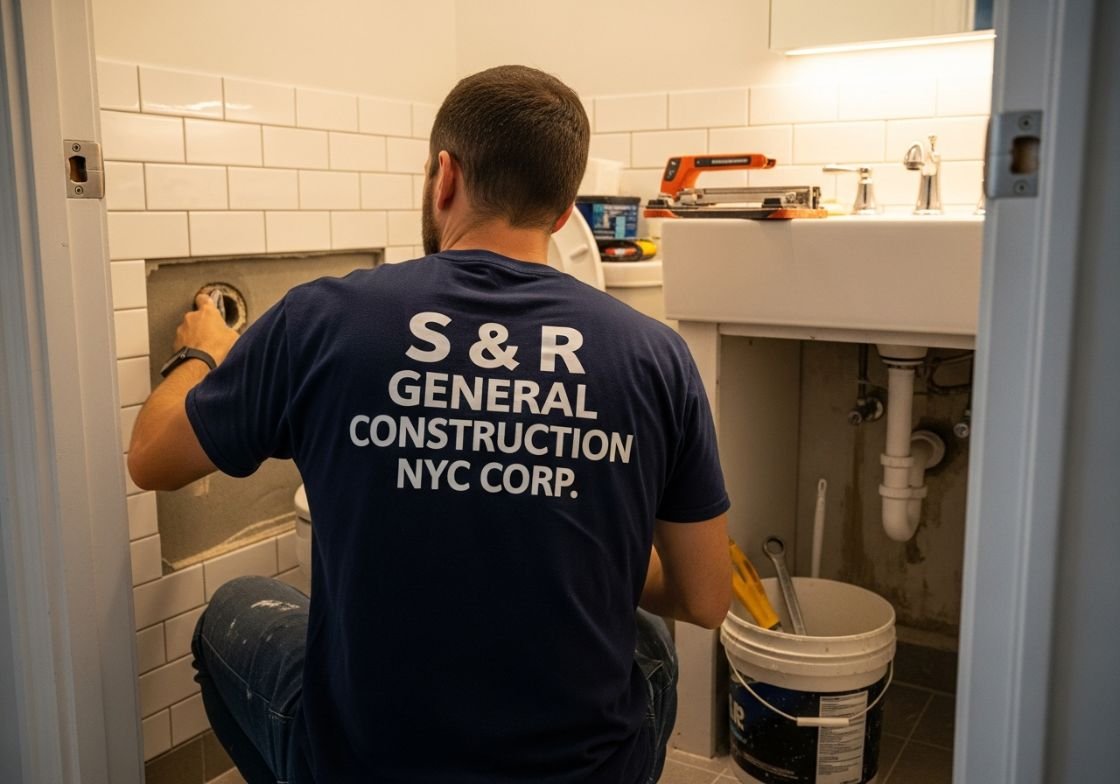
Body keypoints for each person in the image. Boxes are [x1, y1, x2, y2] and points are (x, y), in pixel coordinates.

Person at [128, 64, 730, 784]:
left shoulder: (321, 320)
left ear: (444, 176)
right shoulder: (654, 355)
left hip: (373, 765)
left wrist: (205, 355)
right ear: (566, 209)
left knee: (231, 613)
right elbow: (705, 598)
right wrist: (573, 538)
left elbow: (151, 459)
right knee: (650, 643)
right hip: (586, 771)